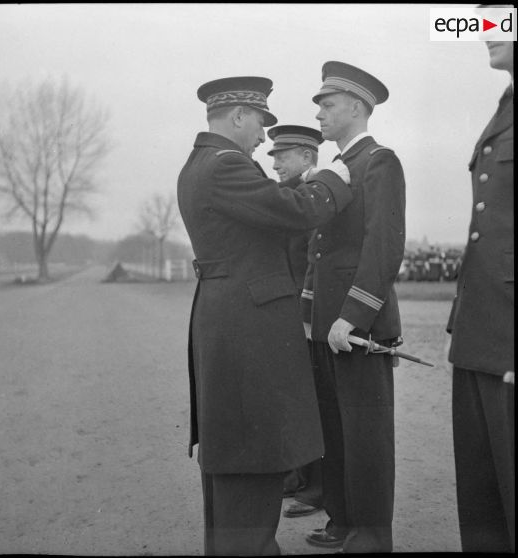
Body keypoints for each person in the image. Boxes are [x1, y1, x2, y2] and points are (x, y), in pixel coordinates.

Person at [177, 76, 353, 556]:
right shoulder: (227, 166)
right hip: (247, 323)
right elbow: (296, 208)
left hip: (228, 316)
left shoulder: (200, 164)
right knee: (254, 449)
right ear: (237, 116)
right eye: (258, 123)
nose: (261, 138)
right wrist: (332, 179)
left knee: (235, 448)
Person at [301, 61, 406, 553]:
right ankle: (343, 521)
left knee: (366, 432)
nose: (319, 111)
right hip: (328, 323)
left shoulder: (378, 162)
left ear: (358, 107)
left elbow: (381, 249)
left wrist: (354, 315)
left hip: (356, 325)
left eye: (328, 103)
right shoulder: (338, 167)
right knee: (337, 429)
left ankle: (371, 535)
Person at [446, 37, 514, 553]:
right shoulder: (506, 106)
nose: (487, 30)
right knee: (483, 482)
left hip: (509, 330)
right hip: (481, 323)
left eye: (501, 15)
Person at [267, 124, 324, 519]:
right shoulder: (290, 194)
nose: (275, 164)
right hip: (285, 311)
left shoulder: (314, 194)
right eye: (273, 156)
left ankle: (316, 487)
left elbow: (312, 261)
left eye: (282, 156)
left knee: (312, 400)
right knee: (289, 395)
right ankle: (296, 476)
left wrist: (304, 315)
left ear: (306, 157)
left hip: (305, 314)